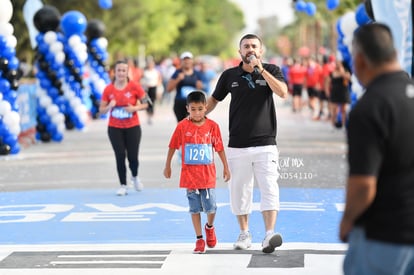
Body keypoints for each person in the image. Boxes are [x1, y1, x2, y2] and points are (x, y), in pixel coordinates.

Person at [340, 23, 414, 275]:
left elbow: (363, 185)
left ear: (359, 60)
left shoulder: (370, 108)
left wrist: (348, 219)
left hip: (384, 234)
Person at [206, 33, 287, 254]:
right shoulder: (229, 75)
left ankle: (269, 234)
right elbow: (214, 99)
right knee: (239, 190)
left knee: (269, 187)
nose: (250, 49)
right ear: (239, 51)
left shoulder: (272, 70)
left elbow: (282, 92)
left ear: (261, 51)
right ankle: (244, 233)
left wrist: (261, 70)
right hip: (237, 144)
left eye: (254, 46)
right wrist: (199, 116)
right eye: (246, 46)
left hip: (266, 143)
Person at [163, 90, 231, 254]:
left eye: (200, 109)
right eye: (193, 109)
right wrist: (168, 165)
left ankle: (209, 227)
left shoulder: (212, 127)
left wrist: (226, 167)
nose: (197, 112)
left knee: (211, 207)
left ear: (206, 108)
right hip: (190, 177)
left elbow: (219, 147)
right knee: (194, 209)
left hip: (207, 176)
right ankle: (199, 238)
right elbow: (173, 145)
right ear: (187, 109)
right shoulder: (182, 126)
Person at [99, 60, 148, 196]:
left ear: (127, 72)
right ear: (114, 72)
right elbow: (101, 110)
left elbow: (147, 104)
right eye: (118, 70)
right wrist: (109, 106)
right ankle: (123, 185)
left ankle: (135, 176)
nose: (121, 73)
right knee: (120, 155)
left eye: (123, 70)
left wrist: (134, 108)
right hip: (115, 128)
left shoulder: (135, 87)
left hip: (133, 126)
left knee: (133, 156)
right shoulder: (108, 89)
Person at [166, 51, 204, 122]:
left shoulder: (197, 73)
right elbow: (169, 89)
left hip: (193, 104)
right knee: (182, 125)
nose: (187, 62)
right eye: (185, 60)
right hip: (180, 103)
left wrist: (200, 86)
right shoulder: (177, 73)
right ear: (181, 61)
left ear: (192, 61)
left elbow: (201, 87)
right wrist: (178, 79)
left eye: (188, 59)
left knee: (193, 124)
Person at [327, 60, 351, 128]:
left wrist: (342, 71)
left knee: (343, 109)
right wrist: (327, 90)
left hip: (343, 92)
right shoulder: (332, 73)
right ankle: (333, 124)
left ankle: (343, 124)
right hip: (335, 92)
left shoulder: (346, 72)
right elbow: (328, 81)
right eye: (337, 64)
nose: (337, 65)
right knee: (334, 109)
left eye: (339, 64)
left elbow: (348, 79)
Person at [141, 57, 162, 125]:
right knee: (147, 102)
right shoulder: (145, 72)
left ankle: (151, 115)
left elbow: (159, 80)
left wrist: (159, 88)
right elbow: (142, 80)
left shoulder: (156, 72)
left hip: (154, 87)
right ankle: (148, 115)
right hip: (147, 88)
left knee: (152, 102)